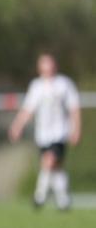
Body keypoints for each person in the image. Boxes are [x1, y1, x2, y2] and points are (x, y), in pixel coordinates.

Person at [9, 52, 81, 210]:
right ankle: (63, 199)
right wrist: (17, 126)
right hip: (43, 134)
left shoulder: (64, 84)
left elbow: (74, 108)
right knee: (54, 167)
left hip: (60, 133)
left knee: (49, 161)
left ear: (55, 65)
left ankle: (39, 196)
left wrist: (76, 129)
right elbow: (28, 109)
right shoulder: (37, 86)